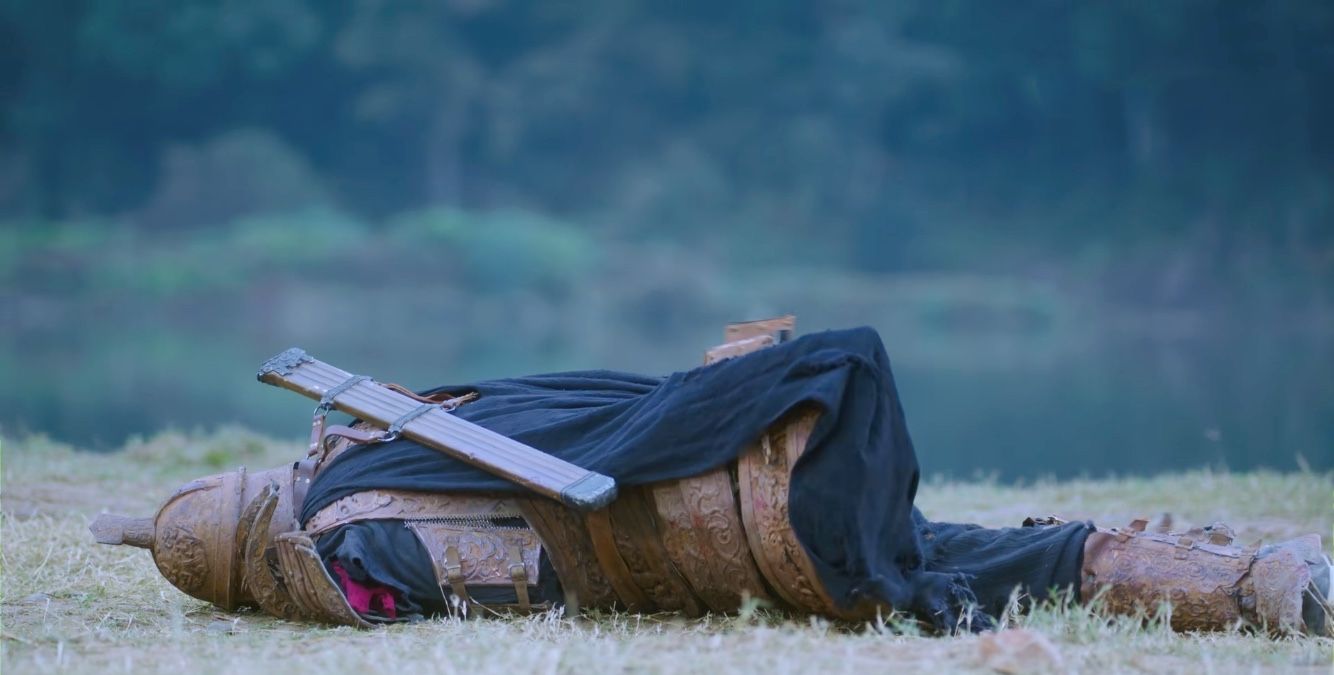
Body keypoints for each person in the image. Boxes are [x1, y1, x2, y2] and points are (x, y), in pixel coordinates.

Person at [91, 322, 1331, 635]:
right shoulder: (368, 511)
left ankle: (1264, 590)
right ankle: (1262, 583)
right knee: (844, 363)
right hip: (741, 529)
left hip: (746, 548)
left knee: (978, 552)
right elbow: (542, 561)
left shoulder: (362, 530)